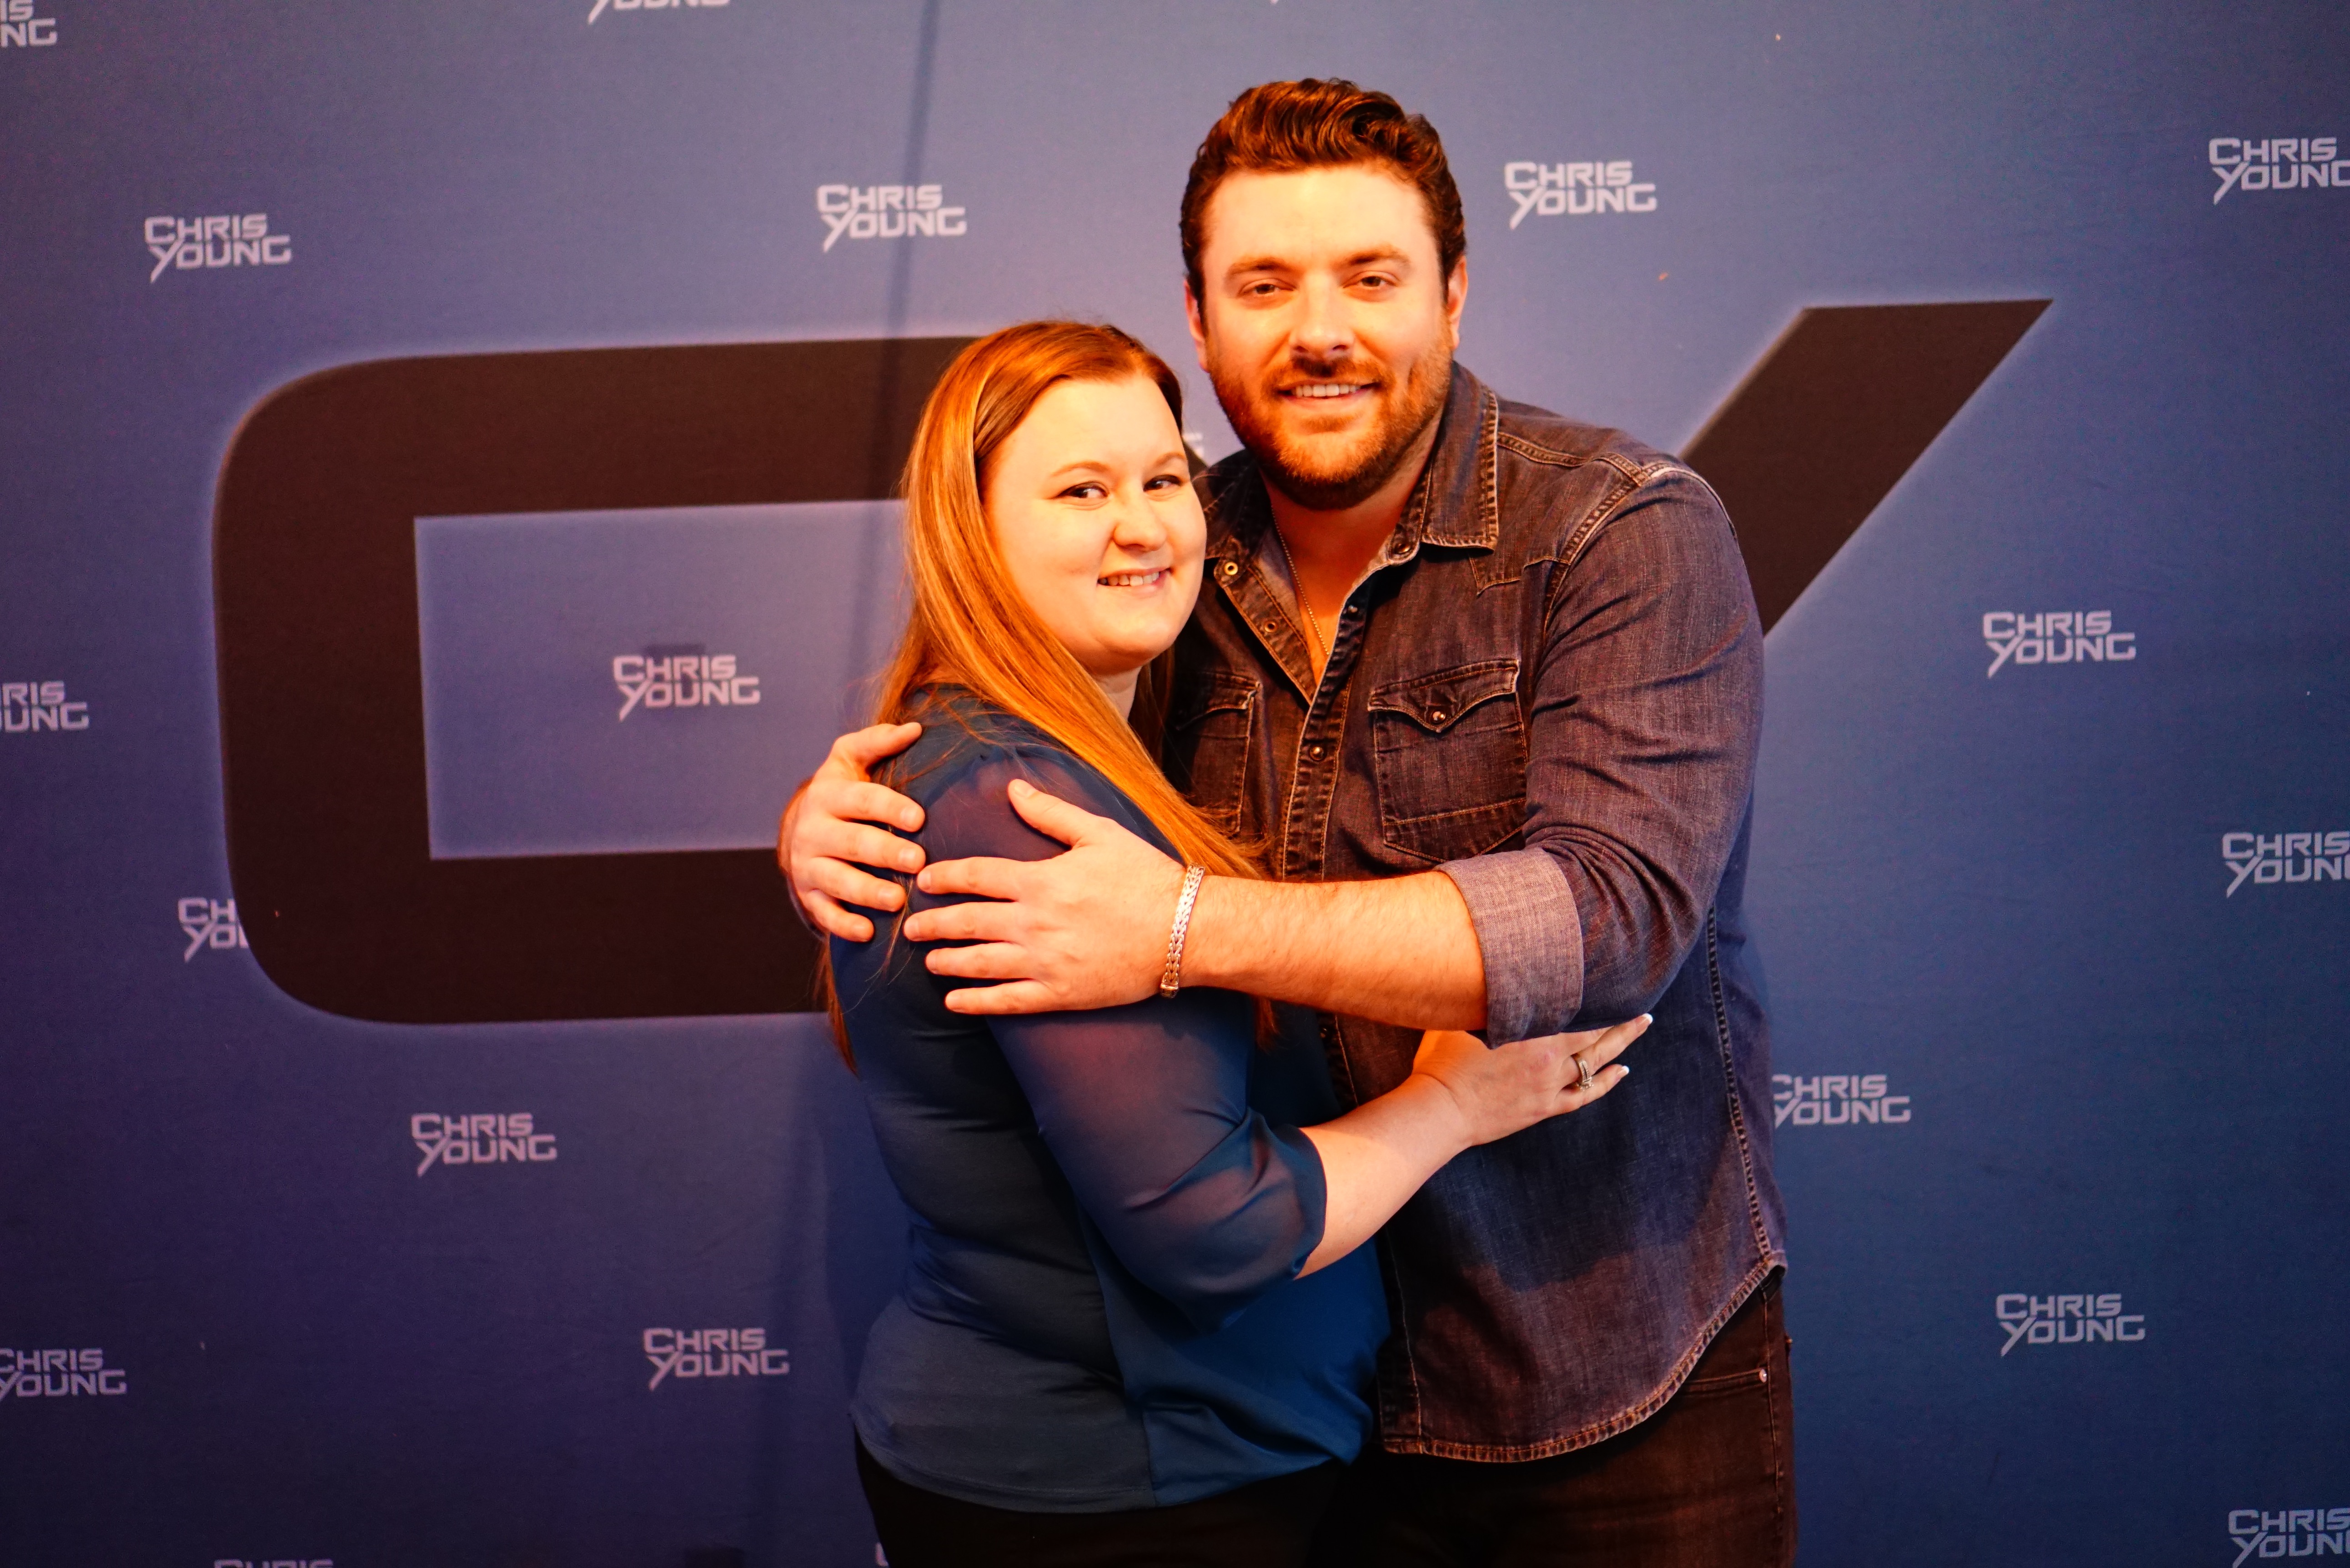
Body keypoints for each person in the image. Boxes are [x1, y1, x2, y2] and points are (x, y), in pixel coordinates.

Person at [786, 81, 1791, 1566]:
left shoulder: (1620, 531)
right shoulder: (1166, 555)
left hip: (1596, 1362)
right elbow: (1004, 717)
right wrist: (850, 811)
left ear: (1454, 293)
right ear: (1200, 323)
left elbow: (1610, 920)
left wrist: (1183, 928)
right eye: (1265, 286)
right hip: (1293, 1412)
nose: (1319, 329)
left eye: (1370, 278)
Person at [824, 318, 1643, 1568]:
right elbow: (1217, 1231)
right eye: (1081, 492)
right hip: (1115, 1491)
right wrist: (1455, 1104)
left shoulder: (1042, 755)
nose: (1144, 526)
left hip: (1160, 1465)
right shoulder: (1017, 803)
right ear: (970, 531)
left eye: (1164, 479)